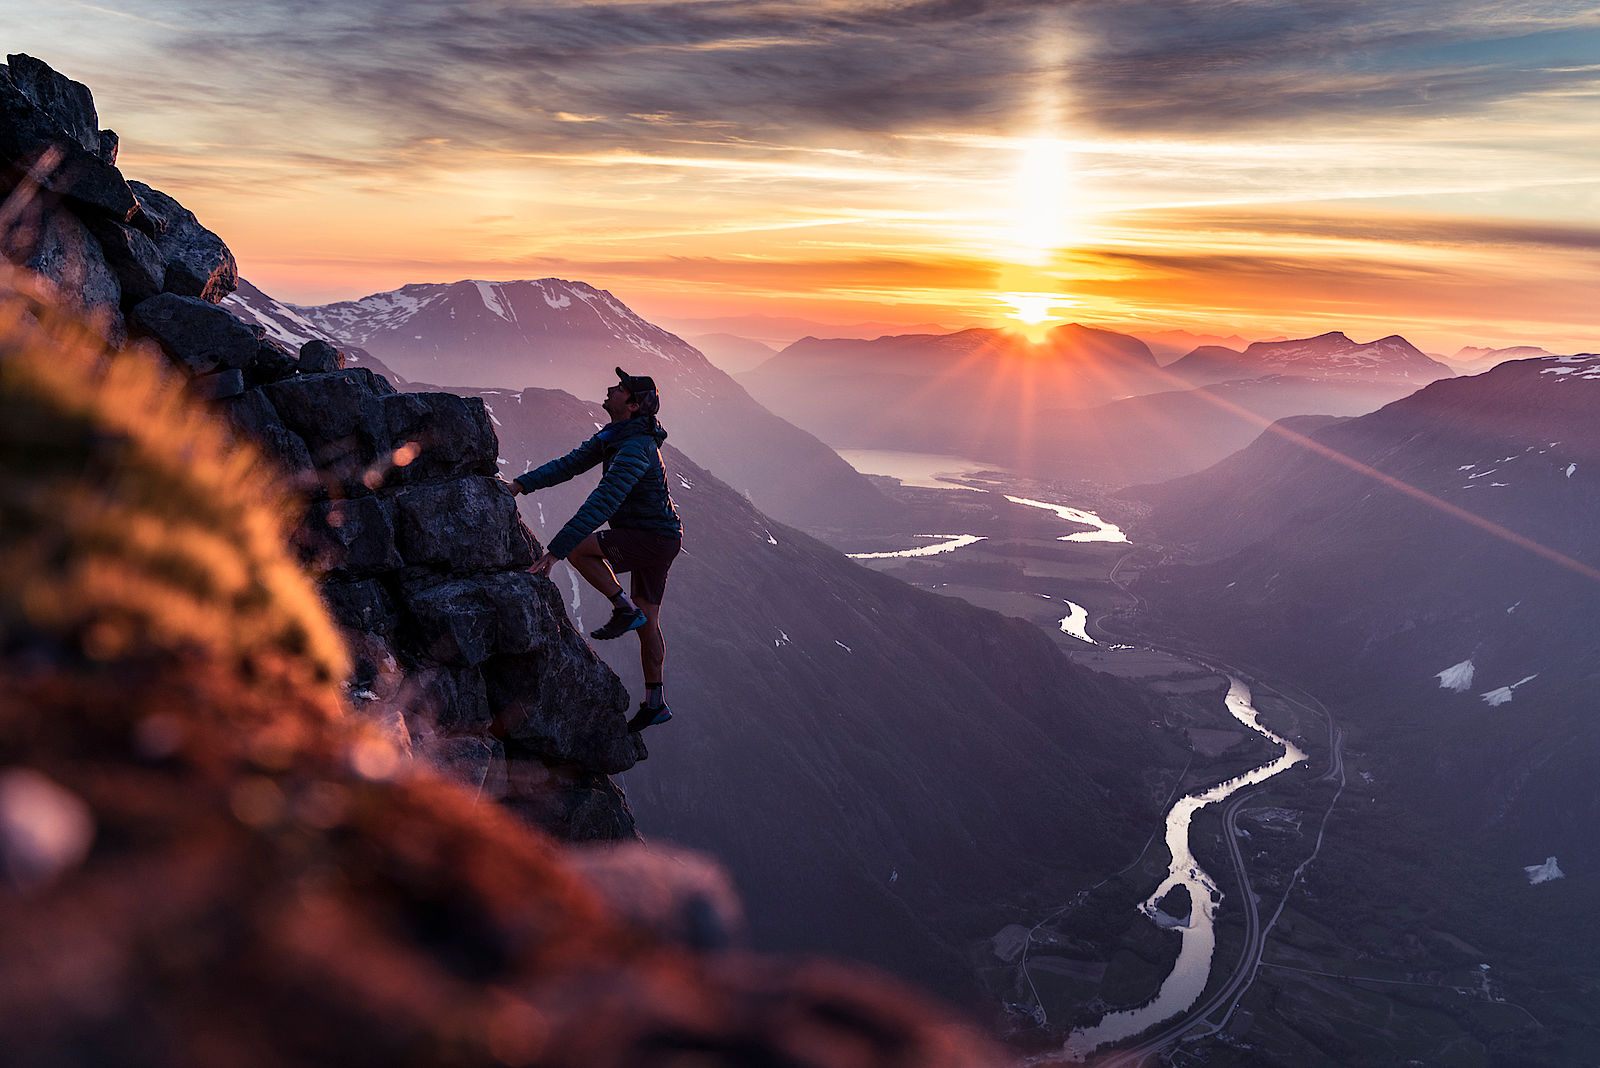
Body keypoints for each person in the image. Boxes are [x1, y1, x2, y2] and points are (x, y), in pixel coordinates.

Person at [510, 368, 683, 732]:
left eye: (620, 388)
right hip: (660, 536)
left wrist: (556, 550)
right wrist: (520, 485)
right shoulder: (617, 436)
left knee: (579, 551)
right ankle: (656, 702)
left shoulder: (636, 448)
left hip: (651, 538)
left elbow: (603, 502)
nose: (610, 388)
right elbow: (569, 465)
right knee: (649, 623)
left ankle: (623, 606)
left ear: (633, 405)